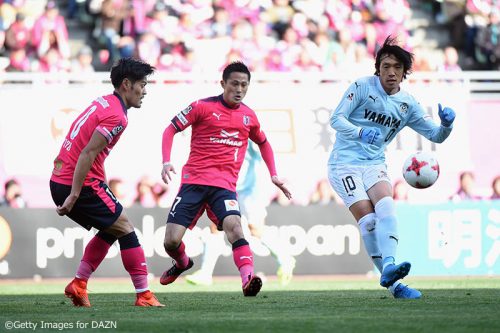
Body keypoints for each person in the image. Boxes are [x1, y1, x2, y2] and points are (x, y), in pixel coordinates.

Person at [327, 36, 456, 299]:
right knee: (370, 221)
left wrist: (447, 125)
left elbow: (435, 136)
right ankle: (396, 285)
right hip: (344, 165)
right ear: (378, 68)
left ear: (405, 72)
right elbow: (336, 119)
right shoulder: (362, 87)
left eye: (397, 67)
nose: (391, 72)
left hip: (375, 163)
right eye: (386, 66)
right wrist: (361, 132)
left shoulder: (407, 104)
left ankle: (388, 267)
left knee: (386, 206)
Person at [159, 61, 292, 297]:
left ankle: (247, 280)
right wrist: (166, 161)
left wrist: (274, 174)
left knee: (236, 229)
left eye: (244, 85)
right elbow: (170, 129)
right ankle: (182, 263)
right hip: (193, 184)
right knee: (170, 241)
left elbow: (263, 142)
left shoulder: (248, 117)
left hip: (224, 188)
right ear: (223, 84)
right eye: (234, 84)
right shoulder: (201, 107)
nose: (239, 89)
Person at [49, 58, 163, 307]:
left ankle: (79, 284)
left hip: (62, 179)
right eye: (142, 84)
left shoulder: (104, 102)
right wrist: (74, 194)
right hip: (77, 183)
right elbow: (87, 153)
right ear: (126, 84)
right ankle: (143, 295)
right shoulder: (117, 116)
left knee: (112, 229)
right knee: (126, 230)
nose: (145, 91)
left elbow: (91, 151)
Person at [185, 142, 296, 286]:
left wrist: (271, 175)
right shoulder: (220, 126)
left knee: (255, 229)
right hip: (227, 184)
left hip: (249, 188)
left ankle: (285, 259)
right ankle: (206, 273)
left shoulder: (247, 125)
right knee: (215, 225)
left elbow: (262, 148)